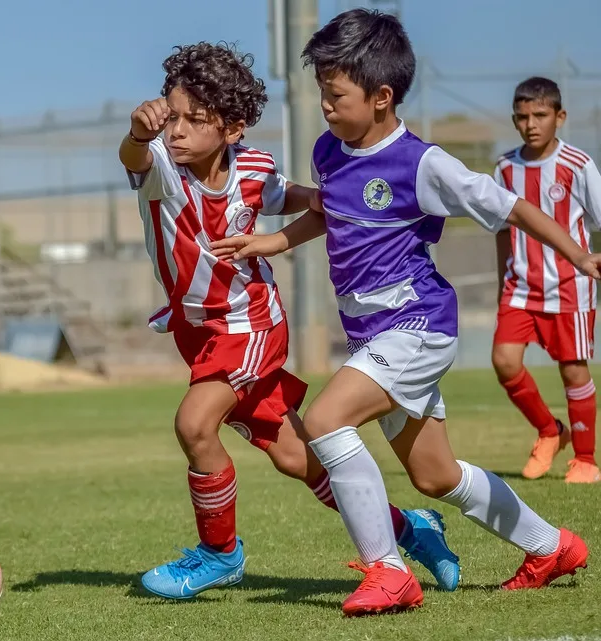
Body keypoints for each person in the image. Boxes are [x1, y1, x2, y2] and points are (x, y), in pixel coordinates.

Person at [210, 10, 592, 616]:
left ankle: (389, 572)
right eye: (321, 93)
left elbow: (513, 208)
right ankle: (554, 546)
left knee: (327, 420)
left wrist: (581, 254)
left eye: (335, 95)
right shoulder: (328, 151)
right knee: (435, 477)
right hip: (373, 335)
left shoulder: (424, 164)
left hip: (416, 326)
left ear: (383, 97)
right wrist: (272, 242)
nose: (325, 106)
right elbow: (332, 212)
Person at [118, 40, 459, 601]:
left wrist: (328, 199)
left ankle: (219, 554)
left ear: (232, 129)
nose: (175, 131)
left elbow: (288, 196)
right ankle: (411, 529)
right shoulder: (159, 165)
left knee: (195, 424)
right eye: (171, 116)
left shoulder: (250, 166)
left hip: (248, 323)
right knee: (297, 457)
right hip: (198, 331)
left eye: (193, 120)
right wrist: (137, 132)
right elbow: (135, 158)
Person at [491, 76, 601, 483]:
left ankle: (586, 460)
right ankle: (550, 431)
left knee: (573, 371)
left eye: (540, 115)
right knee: (504, 361)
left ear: (560, 117)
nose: (531, 124)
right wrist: (502, 275)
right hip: (519, 286)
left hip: (570, 285)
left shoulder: (577, 165)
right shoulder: (504, 167)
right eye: (522, 117)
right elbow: (501, 227)